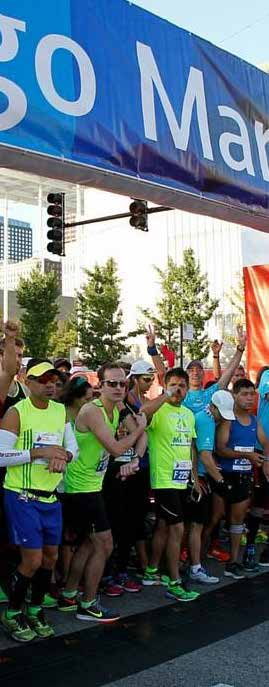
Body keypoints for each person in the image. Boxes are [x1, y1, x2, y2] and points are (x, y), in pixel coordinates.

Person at [61, 362, 146, 623]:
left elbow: (135, 437)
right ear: (100, 385)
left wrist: (137, 455)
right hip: (81, 487)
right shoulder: (93, 411)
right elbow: (117, 448)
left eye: (122, 383)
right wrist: (142, 427)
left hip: (92, 485)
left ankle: (69, 594)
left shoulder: (114, 407)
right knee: (105, 543)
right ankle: (87, 603)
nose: (118, 388)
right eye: (112, 383)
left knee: (89, 543)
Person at [0, 359, 78, 642]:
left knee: (51, 557)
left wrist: (63, 457)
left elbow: (72, 449)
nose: (50, 385)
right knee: (31, 560)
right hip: (21, 494)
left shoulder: (60, 411)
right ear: (27, 381)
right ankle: (12, 613)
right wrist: (40, 453)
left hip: (50, 496)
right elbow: (1, 455)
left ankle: (35, 609)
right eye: (42, 380)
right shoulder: (16, 412)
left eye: (54, 381)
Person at [141, 367, 200, 602]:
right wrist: (165, 395)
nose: (178, 389)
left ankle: (152, 570)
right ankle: (175, 582)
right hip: (163, 479)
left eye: (182, 386)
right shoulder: (159, 409)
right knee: (177, 528)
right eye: (174, 384)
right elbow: (142, 413)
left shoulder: (188, 414)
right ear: (166, 386)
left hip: (182, 479)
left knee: (165, 526)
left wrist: (194, 478)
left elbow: (191, 448)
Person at [205, 379, 269, 579]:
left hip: (244, 476)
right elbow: (221, 448)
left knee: (237, 520)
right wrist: (247, 456)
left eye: (252, 394)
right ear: (235, 396)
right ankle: (195, 559)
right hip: (223, 476)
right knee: (214, 518)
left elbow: (266, 443)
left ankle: (233, 562)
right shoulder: (228, 419)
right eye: (244, 394)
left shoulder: (254, 421)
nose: (249, 398)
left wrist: (265, 461)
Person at [146, 324, 247, 415]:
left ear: (203, 374)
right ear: (186, 374)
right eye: (191, 370)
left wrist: (240, 348)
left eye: (199, 369)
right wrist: (152, 348)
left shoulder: (210, 393)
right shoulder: (179, 393)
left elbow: (229, 372)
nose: (195, 373)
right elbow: (163, 374)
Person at [188, 390, 235, 584]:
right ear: (213, 407)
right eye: (221, 413)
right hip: (198, 478)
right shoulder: (207, 421)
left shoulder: (204, 417)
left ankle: (192, 563)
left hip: (198, 476)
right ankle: (195, 567)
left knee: (194, 524)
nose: (222, 418)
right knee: (196, 525)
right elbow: (205, 457)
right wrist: (222, 482)